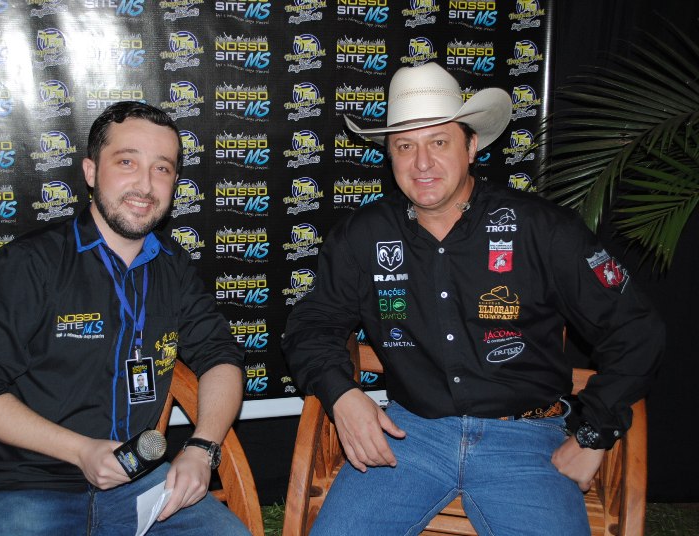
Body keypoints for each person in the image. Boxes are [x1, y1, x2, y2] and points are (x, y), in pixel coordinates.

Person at [281, 62, 664, 535]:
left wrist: (593, 432)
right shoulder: (363, 235)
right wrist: (343, 395)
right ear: (390, 156)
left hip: (527, 439)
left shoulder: (542, 228)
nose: (422, 163)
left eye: (439, 142)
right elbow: (311, 325)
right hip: (410, 434)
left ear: (471, 146)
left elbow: (636, 328)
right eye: (405, 146)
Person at [0, 101, 250, 536]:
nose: (145, 184)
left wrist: (203, 449)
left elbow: (221, 357)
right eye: (127, 162)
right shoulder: (29, 263)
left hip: (138, 483)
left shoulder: (174, 266)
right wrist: (81, 451)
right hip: (22, 484)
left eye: (162, 168)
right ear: (91, 172)